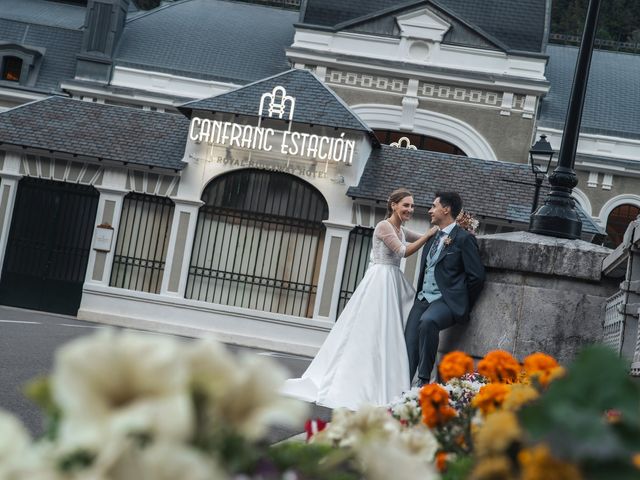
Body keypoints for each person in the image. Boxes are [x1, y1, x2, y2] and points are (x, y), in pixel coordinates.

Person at [281, 189, 438, 410]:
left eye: (412, 206)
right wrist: (428, 235)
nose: (410, 210)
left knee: (392, 327)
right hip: (380, 280)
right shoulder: (384, 226)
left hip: (392, 280)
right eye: (406, 205)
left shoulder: (400, 228)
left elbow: (415, 237)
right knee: (374, 328)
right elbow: (403, 251)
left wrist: (437, 233)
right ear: (393, 205)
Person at [404, 192, 485, 387]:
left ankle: (423, 381)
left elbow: (476, 276)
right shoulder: (431, 237)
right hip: (423, 298)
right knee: (409, 341)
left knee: (428, 322)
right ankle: (402, 386)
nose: (430, 210)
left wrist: (463, 303)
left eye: (434, 206)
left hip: (446, 301)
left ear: (446, 209)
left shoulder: (464, 239)